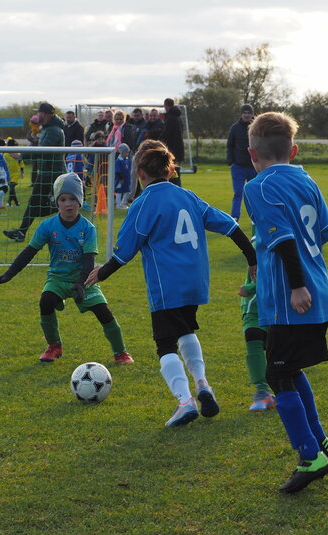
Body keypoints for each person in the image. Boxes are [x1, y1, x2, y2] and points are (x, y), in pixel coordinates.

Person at [85, 140, 256, 428]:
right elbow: (231, 226)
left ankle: (185, 402)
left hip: (167, 285)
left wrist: (102, 273)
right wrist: (252, 259)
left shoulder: (143, 204)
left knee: (165, 344)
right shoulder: (188, 196)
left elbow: (125, 252)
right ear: (170, 170)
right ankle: (202, 384)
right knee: (185, 330)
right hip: (196, 282)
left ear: (140, 173)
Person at [242, 111, 328, 494]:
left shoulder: (258, 186)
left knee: (278, 373)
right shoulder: (307, 180)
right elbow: (324, 231)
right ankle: (319, 440)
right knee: (290, 368)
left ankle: (310, 457)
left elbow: (282, 238)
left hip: (291, 299)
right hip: (320, 290)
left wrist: (296, 285)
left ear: (253, 154)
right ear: (293, 150)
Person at [0, 173, 133, 365]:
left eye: (73, 199)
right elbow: (29, 252)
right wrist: (8, 275)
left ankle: (121, 352)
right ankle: (54, 346)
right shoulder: (48, 226)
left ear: (80, 201)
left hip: (84, 279)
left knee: (103, 311)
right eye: (63, 199)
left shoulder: (88, 228)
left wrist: (81, 283)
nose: (68, 204)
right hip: (57, 279)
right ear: (57, 202)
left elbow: (89, 259)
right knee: (46, 301)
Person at [3, 102, 66, 242]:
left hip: (53, 173)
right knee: (34, 203)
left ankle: (56, 208)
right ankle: (21, 232)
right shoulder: (47, 129)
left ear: (46, 114)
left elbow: (43, 151)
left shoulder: (54, 130)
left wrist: (22, 155)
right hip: (46, 172)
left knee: (38, 204)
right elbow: (41, 147)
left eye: (39, 112)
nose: (37, 115)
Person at [237, 227, 274, 412]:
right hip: (254, 306)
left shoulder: (277, 236)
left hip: (270, 304)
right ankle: (262, 392)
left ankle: (282, 391)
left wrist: (249, 289)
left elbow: (272, 272)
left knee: (277, 350)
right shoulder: (256, 236)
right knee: (254, 339)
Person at [226, 104, 257, 219]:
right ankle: (235, 217)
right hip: (238, 167)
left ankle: (255, 217)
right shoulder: (235, 128)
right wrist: (231, 160)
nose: (246, 115)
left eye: (249, 113)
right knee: (238, 193)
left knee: (253, 194)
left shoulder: (256, 128)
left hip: (253, 166)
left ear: (252, 114)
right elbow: (230, 145)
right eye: (244, 113)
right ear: (241, 114)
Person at [159, 98, 186, 186]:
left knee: (173, 174)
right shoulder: (178, 118)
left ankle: (176, 191)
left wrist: (159, 143)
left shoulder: (170, 118)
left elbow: (166, 134)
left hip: (172, 151)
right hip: (179, 150)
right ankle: (178, 190)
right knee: (176, 173)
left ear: (166, 105)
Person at [5, 137, 24, 207]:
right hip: (8, 174)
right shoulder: (5, 155)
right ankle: (16, 202)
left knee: (11, 187)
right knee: (11, 189)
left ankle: (9, 202)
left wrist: (22, 172)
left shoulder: (18, 155)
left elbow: (21, 164)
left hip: (16, 174)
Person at [114, 143, 132, 209]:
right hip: (120, 180)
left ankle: (123, 203)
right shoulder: (118, 161)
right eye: (126, 152)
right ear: (122, 153)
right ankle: (118, 205)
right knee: (119, 192)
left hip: (127, 179)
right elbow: (117, 170)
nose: (127, 154)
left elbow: (128, 168)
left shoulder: (127, 159)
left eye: (128, 152)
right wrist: (121, 178)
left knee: (127, 191)